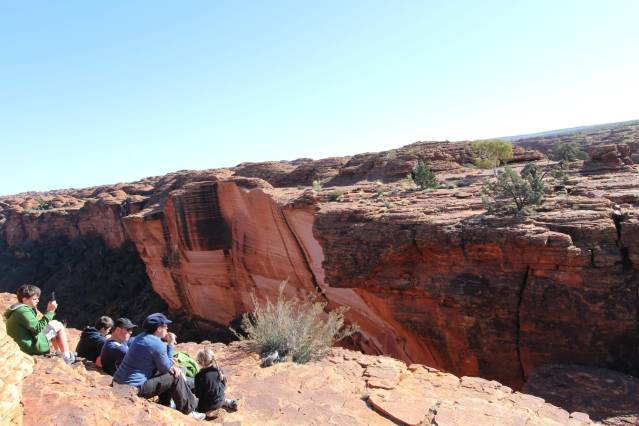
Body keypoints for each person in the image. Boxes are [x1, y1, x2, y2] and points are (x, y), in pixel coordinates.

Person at [112, 313, 204, 420]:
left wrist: (168, 363)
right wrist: (170, 344)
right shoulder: (156, 344)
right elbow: (166, 367)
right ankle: (189, 410)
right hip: (132, 388)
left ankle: (165, 404)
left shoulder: (139, 337)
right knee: (174, 375)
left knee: (166, 373)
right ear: (159, 328)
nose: (167, 328)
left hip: (118, 382)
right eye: (165, 326)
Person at [4, 284, 75, 364]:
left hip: (25, 342)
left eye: (37, 298)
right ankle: (66, 357)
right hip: (31, 346)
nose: (37, 300)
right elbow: (37, 328)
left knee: (54, 323)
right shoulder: (23, 311)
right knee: (59, 326)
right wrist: (50, 311)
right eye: (34, 299)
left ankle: (57, 351)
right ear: (24, 300)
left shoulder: (18, 308)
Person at [194, 348, 239, 413]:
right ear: (212, 359)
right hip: (220, 400)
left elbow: (198, 395)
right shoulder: (218, 370)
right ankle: (231, 403)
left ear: (199, 362)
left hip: (207, 406)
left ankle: (206, 414)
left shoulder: (199, 376)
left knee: (195, 403)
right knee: (220, 398)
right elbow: (223, 387)